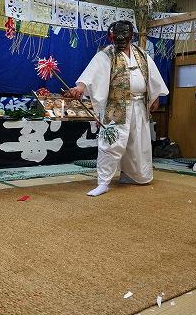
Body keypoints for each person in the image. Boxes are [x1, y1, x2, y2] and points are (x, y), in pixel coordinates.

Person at [66, 21, 169, 197]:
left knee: (137, 143)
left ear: (131, 36)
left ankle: (136, 176)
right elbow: (92, 72)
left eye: (124, 37)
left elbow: (152, 76)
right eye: (117, 37)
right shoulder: (107, 54)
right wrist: (80, 87)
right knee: (111, 143)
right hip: (116, 106)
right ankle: (103, 182)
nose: (120, 40)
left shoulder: (141, 54)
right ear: (112, 36)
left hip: (139, 106)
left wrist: (155, 95)